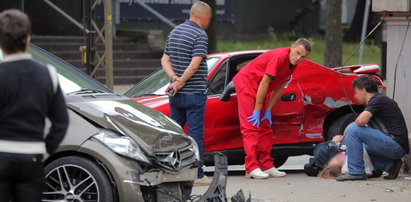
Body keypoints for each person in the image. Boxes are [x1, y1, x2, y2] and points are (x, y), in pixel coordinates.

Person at [0, 9, 69, 202]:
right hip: (32, 158)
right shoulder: (48, 74)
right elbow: (61, 122)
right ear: (28, 39)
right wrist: (45, 149)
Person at [232, 38, 311, 179]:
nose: (299, 58)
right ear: (292, 47)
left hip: (261, 89)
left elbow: (280, 86)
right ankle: (251, 167)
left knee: (265, 127)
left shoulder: (293, 63)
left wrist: (268, 110)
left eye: (303, 57)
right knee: (251, 127)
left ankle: (266, 165)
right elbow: (265, 82)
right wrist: (257, 109)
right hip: (248, 85)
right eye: (298, 53)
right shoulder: (279, 57)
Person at [161, 2, 212, 186]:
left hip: (176, 94)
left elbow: (165, 59)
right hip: (194, 93)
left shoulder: (174, 31)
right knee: (195, 134)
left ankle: (171, 169)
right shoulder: (200, 34)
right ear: (204, 17)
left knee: (174, 132)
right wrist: (181, 81)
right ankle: (198, 174)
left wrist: (174, 79)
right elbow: (195, 63)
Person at [336, 75, 409, 181]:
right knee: (352, 145)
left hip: (395, 144)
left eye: (356, 92)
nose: (355, 96)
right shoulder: (377, 101)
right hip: (392, 145)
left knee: (353, 129)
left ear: (364, 90)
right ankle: (390, 165)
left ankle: (356, 172)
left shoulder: (377, 100)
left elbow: (360, 121)